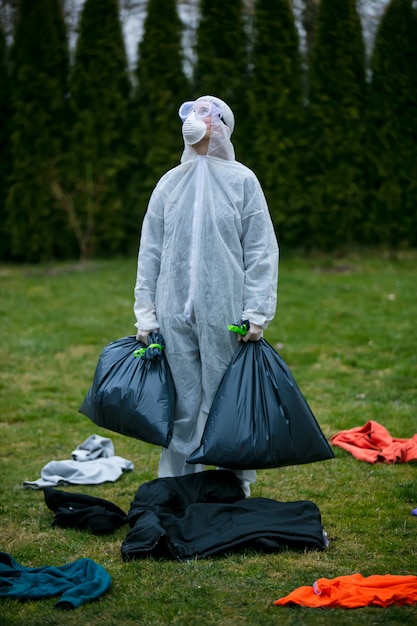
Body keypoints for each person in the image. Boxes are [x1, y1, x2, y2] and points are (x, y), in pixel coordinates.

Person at [133, 95, 279, 496]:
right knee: (182, 404)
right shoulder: (169, 183)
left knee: (223, 402)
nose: (195, 122)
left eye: (204, 114)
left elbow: (261, 250)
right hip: (173, 311)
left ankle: (232, 486)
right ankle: (176, 486)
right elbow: (151, 250)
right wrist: (146, 312)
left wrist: (257, 311)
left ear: (222, 127)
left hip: (225, 311)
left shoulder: (242, 181)